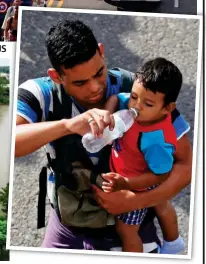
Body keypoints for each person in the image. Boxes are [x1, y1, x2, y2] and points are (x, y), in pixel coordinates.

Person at [16, 19, 192, 253]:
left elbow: (186, 164)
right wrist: (67, 126)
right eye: (80, 82)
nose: (95, 88)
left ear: (101, 51)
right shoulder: (40, 94)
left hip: (132, 225)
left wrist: (135, 202)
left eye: (99, 73)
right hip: (69, 224)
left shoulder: (139, 89)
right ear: (56, 76)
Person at [101, 57, 185, 253]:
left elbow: (161, 176)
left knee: (126, 229)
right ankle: (174, 242)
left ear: (168, 109)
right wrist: (106, 114)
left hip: (142, 180)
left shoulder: (155, 140)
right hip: (146, 167)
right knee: (161, 205)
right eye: (134, 96)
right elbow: (116, 98)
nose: (136, 106)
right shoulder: (134, 104)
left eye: (147, 103)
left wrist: (125, 184)